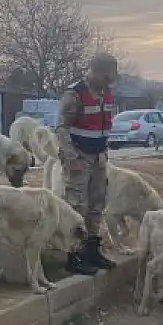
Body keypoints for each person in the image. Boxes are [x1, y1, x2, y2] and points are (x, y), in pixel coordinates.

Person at [56, 53, 120, 276]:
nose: (109, 81)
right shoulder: (75, 94)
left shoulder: (107, 94)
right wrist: (72, 158)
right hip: (79, 158)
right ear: (94, 71)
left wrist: (103, 153)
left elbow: (104, 126)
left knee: (96, 205)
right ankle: (73, 255)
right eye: (106, 76)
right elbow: (62, 128)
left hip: (99, 158)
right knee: (77, 207)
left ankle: (91, 251)